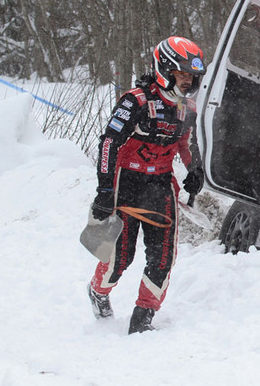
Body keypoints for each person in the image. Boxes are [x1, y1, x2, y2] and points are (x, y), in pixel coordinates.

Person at [86, 36, 207, 334]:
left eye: (191, 77)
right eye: (181, 75)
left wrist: (194, 168)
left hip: (161, 185)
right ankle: (98, 291)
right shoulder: (136, 100)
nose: (186, 82)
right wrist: (103, 191)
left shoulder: (187, 107)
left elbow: (185, 143)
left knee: (163, 257)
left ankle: (143, 318)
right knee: (119, 259)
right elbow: (109, 143)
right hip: (126, 182)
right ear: (164, 69)